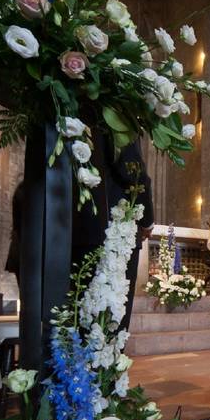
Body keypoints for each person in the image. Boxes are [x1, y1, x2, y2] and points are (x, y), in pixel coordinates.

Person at [72, 134, 154, 334]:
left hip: (77, 225)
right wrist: (147, 219)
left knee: (78, 320)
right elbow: (131, 169)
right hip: (113, 229)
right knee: (110, 325)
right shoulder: (119, 108)